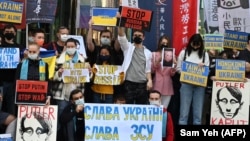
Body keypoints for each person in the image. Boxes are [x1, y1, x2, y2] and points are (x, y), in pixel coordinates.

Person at [52, 38, 89, 130]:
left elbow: (88, 78)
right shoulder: (58, 60)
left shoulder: (83, 60)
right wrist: (59, 73)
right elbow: (52, 77)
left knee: (75, 117)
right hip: (62, 95)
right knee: (61, 117)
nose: (70, 48)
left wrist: (89, 72)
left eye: (72, 46)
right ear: (65, 47)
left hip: (77, 95)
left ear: (76, 47)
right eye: (68, 46)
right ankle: (59, 137)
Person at [176, 33, 210, 125]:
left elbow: (207, 71)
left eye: (197, 44)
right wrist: (187, 73)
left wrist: (203, 67)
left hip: (199, 85)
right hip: (186, 84)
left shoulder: (204, 54)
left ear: (201, 44)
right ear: (190, 43)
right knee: (183, 113)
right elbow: (178, 68)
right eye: (193, 44)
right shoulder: (184, 53)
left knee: (198, 115)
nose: (195, 46)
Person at [117, 26, 152, 104]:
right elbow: (121, 36)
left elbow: (148, 70)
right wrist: (120, 23)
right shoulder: (128, 48)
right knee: (128, 109)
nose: (137, 37)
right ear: (132, 37)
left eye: (139, 36)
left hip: (142, 84)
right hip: (129, 83)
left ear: (143, 38)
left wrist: (150, 80)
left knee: (141, 109)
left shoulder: (148, 53)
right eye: (135, 35)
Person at [0, 24, 25, 116]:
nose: (9, 33)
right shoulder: (0, 46)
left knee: (11, 108)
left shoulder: (20, 47)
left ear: (15, 33)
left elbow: (24, 63)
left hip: (13, 82)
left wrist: (22, 60)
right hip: (1, 82)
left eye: (11, 32)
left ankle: (10, 128)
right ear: (3, 33)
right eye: (7, 32)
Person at [151, 35, 176, 108]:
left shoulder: (172, 55)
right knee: (154, 109)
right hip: (156, 85)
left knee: (164, 110)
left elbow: (172, 74)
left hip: (167, 86)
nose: (164, 45)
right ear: (159, 43)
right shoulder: (154, 54)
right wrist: (158, 61)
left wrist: (174, 65)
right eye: (163, 43)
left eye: (166, 43)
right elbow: (152, 70)